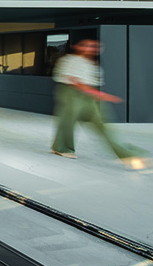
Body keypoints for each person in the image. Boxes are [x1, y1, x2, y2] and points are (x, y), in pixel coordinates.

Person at [51, 39, 147, 169]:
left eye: (95, 46)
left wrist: (96, 94)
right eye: (87, 46)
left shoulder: (92, 63)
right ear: (77, 47)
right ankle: (62, 148)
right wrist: (102, 95)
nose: (92, 49)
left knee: (103, 126)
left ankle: (127, 154)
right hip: (72, 93)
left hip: (91, 94)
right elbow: (74, 81)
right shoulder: (70, 60)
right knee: (68, 122)